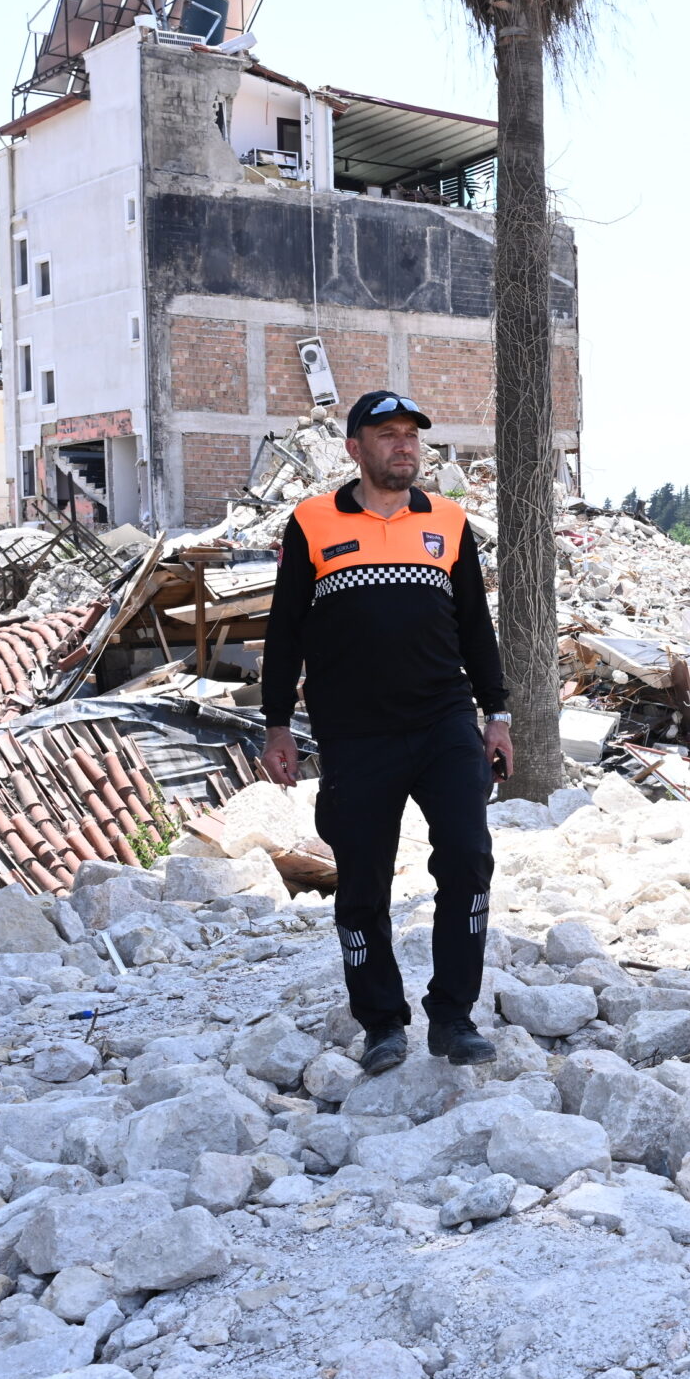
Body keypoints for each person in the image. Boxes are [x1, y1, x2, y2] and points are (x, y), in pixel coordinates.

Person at [262, 390, 510, 1073]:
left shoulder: (450, 522)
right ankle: (382, 1023)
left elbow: (475, 628)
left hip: (445, 723)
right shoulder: (310, 524)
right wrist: (277, 723)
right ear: (354, 449)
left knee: (467, 855)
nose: (404, 445)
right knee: (363, 885)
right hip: (356, 735)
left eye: (411, 435)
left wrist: (498, 713)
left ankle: (453, 1016)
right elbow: (283, 634)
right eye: (387, 435)